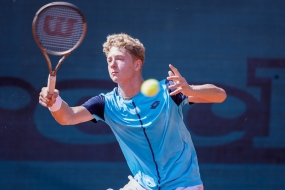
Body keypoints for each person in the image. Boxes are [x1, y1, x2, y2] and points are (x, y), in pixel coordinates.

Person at [39, 33, 226, 190]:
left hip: (183, 184)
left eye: (119, 59)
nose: (112, 65)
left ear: (137, 65)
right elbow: (68, 117)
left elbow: (220, 95)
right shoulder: (106, 104)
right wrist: (54, 102)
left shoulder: (168, 91)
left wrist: (191, 91)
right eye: (109, 60)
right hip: (144, 185)